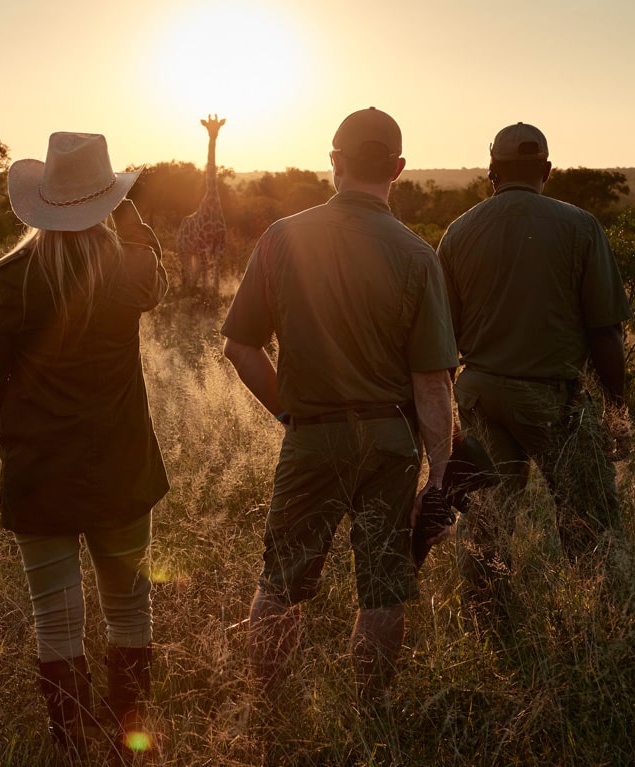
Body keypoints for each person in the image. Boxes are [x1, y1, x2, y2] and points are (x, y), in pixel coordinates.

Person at [220, 107, 459, 748]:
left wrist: (292, 414)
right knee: (383, 587)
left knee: (281, 584)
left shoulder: (281, 237)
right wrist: (441, 471)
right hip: (390, 441)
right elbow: (433, 384)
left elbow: (240, 347)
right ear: (399, 170)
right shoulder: (417, 254)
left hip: (312, 436)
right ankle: (372, 721)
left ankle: (267, 721)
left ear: (336, 161)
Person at [0, 132, 168, 762]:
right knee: (129, 610)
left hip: (39, 470)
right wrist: (123, 204)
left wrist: (15, 430)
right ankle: (129, 739)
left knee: (53, 618)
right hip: (122, 465)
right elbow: (151, 257)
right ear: (107, 201)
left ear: (42, 202)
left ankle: (69, 745)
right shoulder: (129, 269)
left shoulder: (10, 277)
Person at [436, 122, 633, 625]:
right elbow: (605, 333)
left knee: (487, 520)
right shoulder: (580, 226)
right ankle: (599, 625)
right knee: (590, 520)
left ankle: (488, 626)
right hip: (552, 398)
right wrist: (618, 413)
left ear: (491, 172)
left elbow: (442, 340)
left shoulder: (458, 232)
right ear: (547, 170)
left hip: (478, 392)